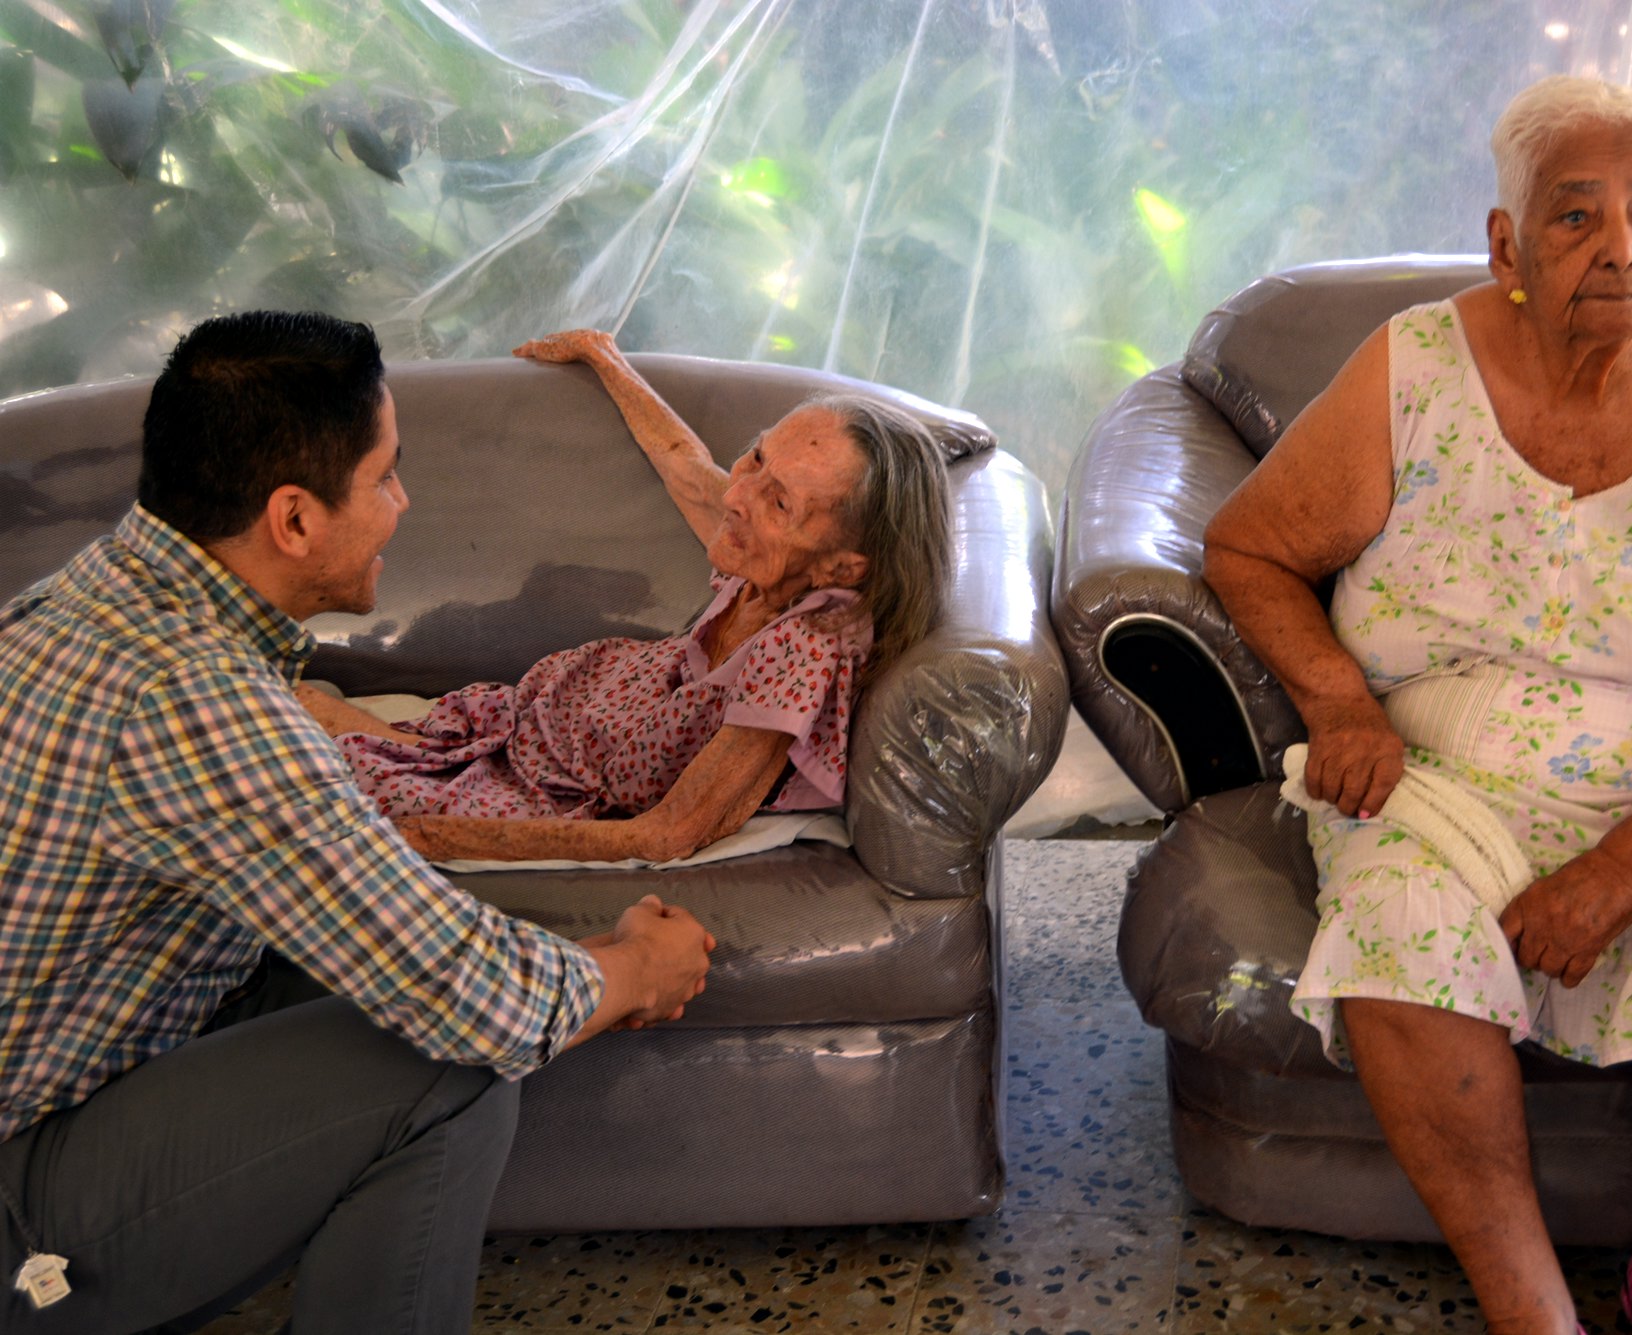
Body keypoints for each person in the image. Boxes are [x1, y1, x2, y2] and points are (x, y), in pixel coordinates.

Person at [1202, 76, 1632, 1335]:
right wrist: (1338, 702)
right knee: (1399, 951)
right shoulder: (1411, 368)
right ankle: (1530, 1311)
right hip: (1448, 775)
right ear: (1504, 243)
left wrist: (1622, 872)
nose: (1623, 248)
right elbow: (1246, 549)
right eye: (1576, 218)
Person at [0, 311, 715, 1334]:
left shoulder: (86, 597)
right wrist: (633, 972)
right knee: (452, 1062)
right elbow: (470, 1000)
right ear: (293, 518)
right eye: (384, 477)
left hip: (71, 1074)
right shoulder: (192, 697)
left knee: (401, 996)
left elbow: (394, 937)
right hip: (22, 1201)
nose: (403, 503)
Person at [295, 328, 953, 866]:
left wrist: (423, 837)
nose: (736, 495)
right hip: (519, 724)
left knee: (301, 789)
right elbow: (686, 465)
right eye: (756, 458)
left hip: (547, 788)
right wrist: (603, 354)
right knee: (300, 707)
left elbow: (666, 834)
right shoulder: (767, 559)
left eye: (777, 499)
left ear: (842, 564)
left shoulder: (800, 652)